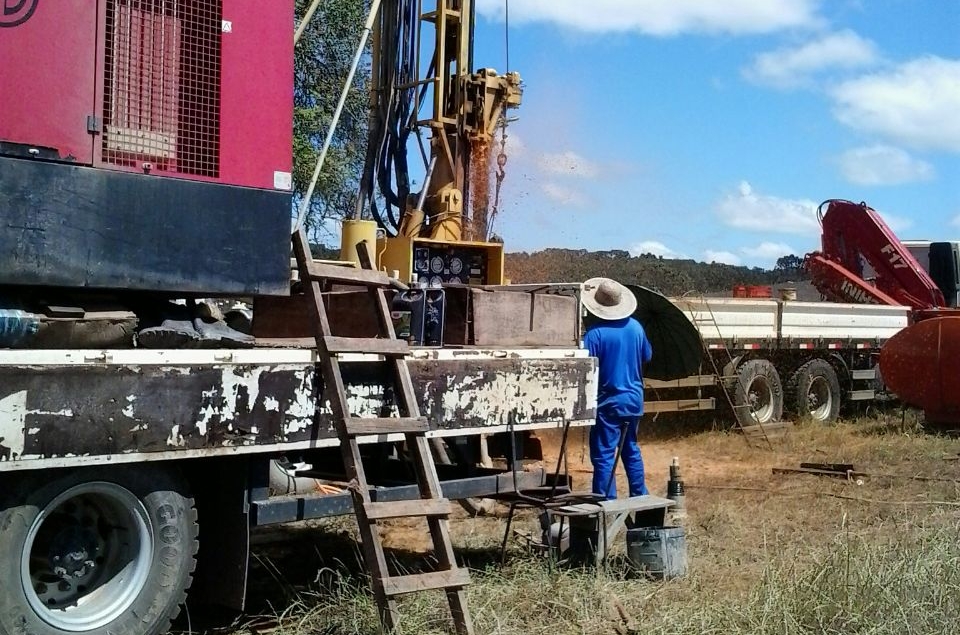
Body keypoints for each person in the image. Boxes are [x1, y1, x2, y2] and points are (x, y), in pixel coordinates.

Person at [581, 277, 653, 499]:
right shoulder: (636, 327)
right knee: (630, 448)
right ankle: (640, 495)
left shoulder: (594, 334)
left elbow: (584, 368)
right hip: (633, 399)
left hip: (609, 401)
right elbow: (647, 356)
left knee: (604, 453)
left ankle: (606, 500)